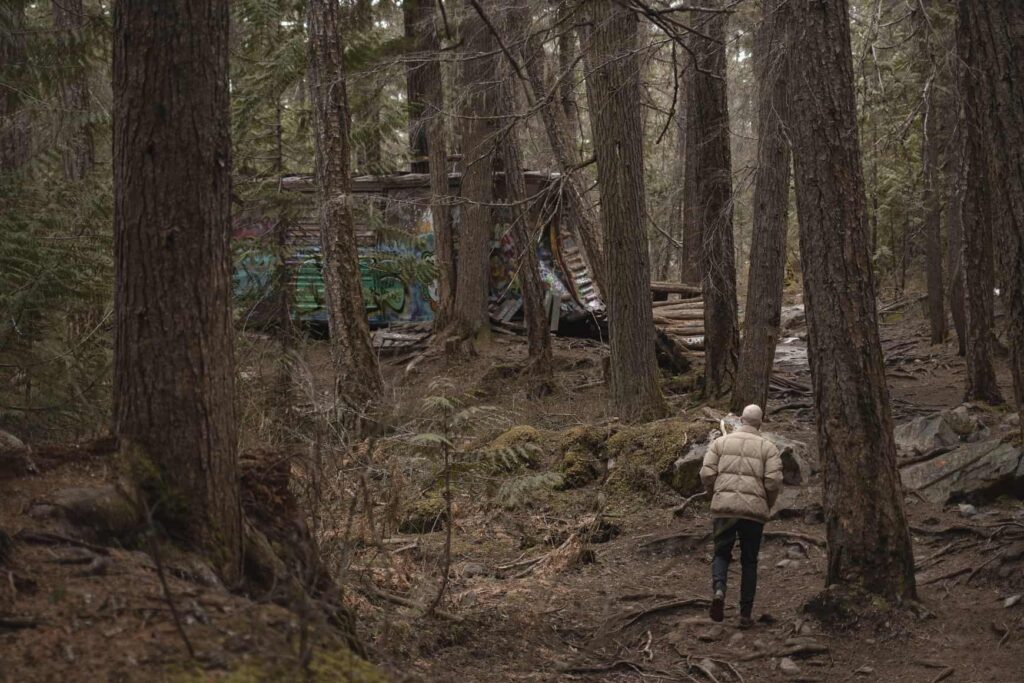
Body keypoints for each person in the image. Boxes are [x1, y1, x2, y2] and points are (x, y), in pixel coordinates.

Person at [700, 404, 783, 628]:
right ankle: (745, 614)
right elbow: (773, 482)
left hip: (723, 509)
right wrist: (767, 502)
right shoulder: (769, 448)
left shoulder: (720, 443)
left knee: (721, 553)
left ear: (740, 420)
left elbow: (707, 473)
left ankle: (719, 590)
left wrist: (713, 495)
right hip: (753, 513)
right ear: (760, 423)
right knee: (749, 561)